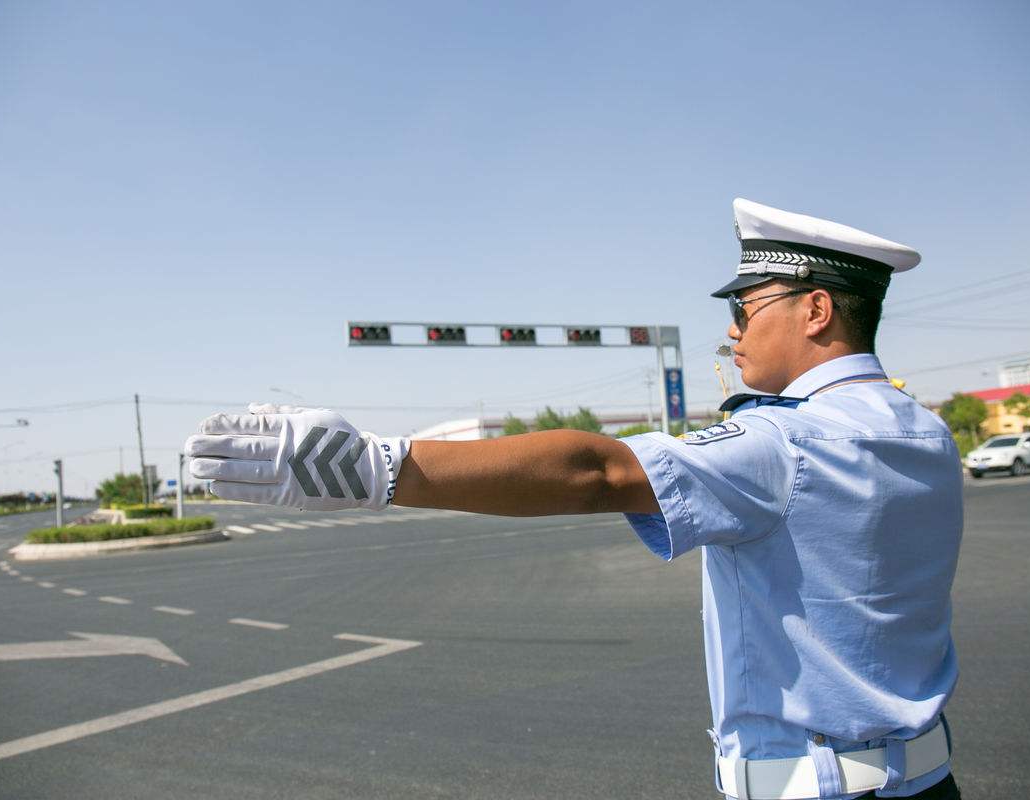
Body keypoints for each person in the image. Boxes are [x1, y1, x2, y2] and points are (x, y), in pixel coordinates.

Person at [185, 198, 963, 800]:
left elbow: (602, 471)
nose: (732, 333)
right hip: (928, 778)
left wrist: (374, 467)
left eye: (745, 308)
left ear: (816, 310)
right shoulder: (921, 430)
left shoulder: (786, 442)